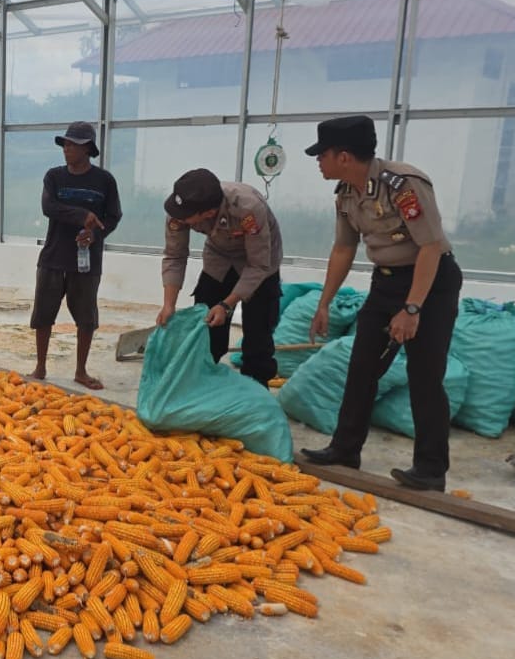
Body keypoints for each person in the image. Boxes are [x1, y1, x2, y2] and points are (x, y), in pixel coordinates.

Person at [299, 115, 463, 491]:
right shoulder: (345, 193)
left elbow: (430, 246)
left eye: (322, 155)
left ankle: (430, 468)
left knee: (424, 374)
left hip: (431, 282)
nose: (318, 162)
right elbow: (344, 247)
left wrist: (412, 309)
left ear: (343, 156)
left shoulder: (403, 184)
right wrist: (324, 303)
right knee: (362, 366)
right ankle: (345, 449)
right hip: (386, 281)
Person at [156, 168, 284, 385]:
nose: (177, 217)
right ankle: (204, 382)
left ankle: (256, 388)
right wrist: (169, 305)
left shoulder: (248, 208)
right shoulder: (180, 209)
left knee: (258, 331)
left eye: (186, 216)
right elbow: (175, 256)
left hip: (261, 261)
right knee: (206, 324)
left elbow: (257, 265)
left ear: (208, 213)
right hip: (220, 257)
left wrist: (226, 305)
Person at [29, 121, 121, 390]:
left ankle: (81, 371)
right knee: (43, 313)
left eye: (73, 145)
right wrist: (82, 215)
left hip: (86, 261)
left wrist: (95, 235)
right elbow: (49, 207)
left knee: (86, 318)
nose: (67, 149)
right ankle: (40, 366)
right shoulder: (54, 177)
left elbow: (113, 216)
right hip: (54, 256)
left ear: (87, 149)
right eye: (66, 144)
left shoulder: (104, 181)